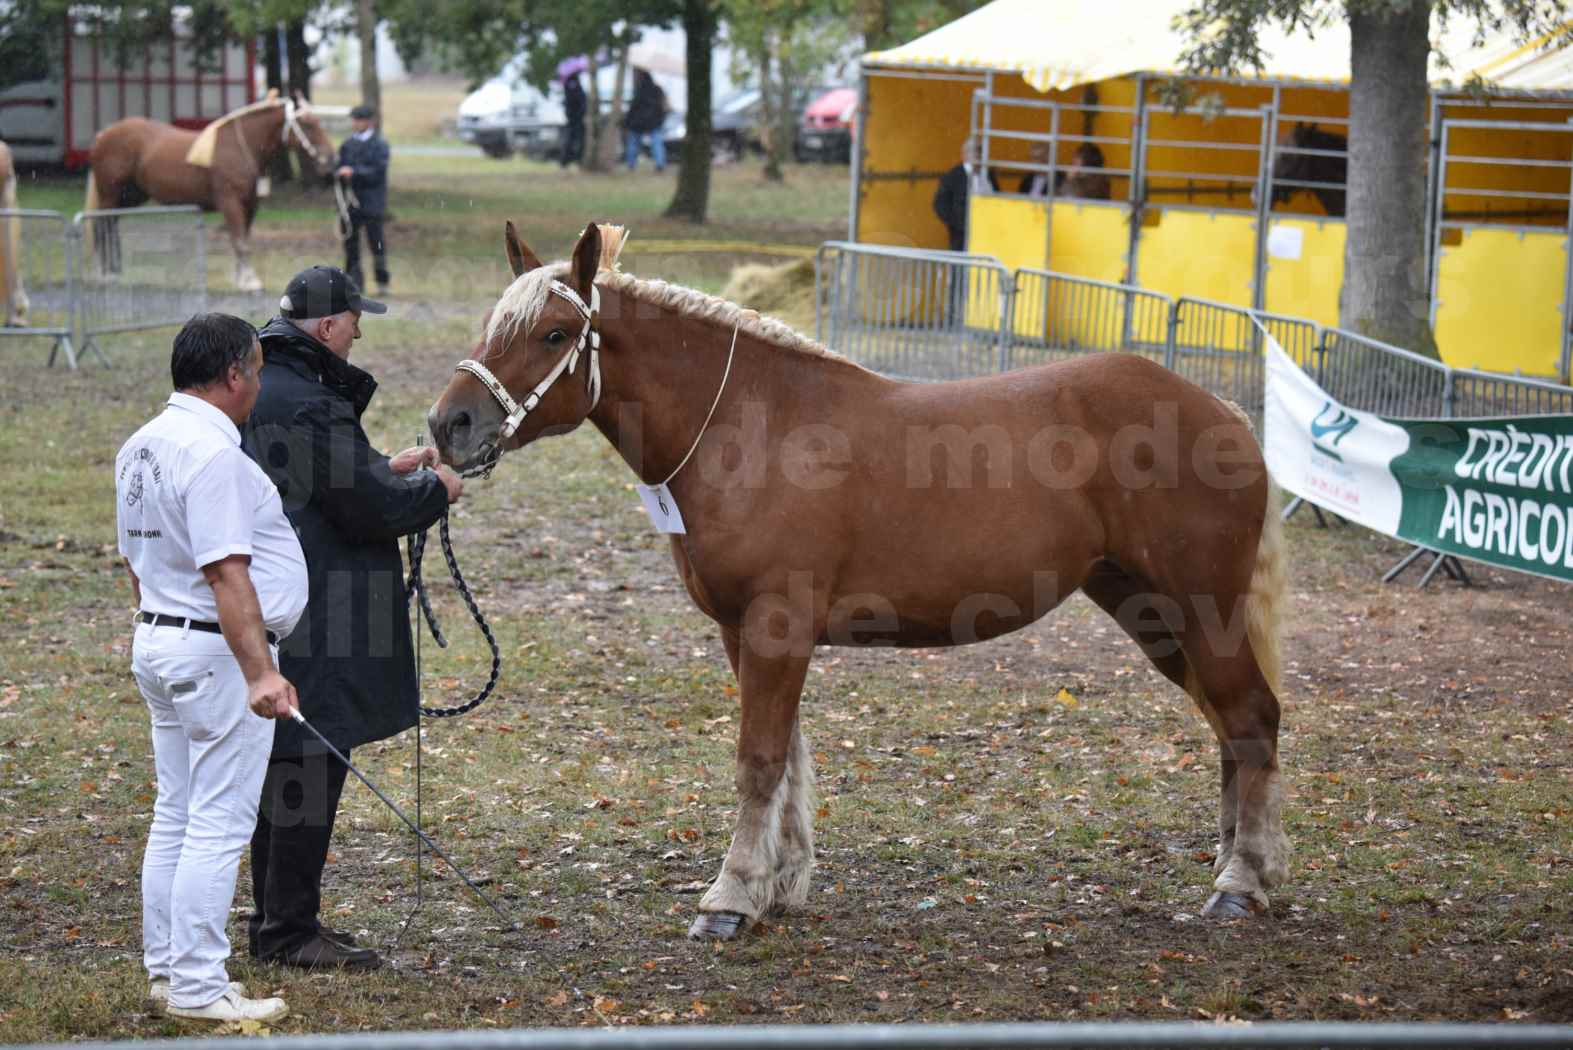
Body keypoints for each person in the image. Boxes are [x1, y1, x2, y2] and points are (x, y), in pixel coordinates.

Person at [243, 265, 463, 971]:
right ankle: (287, 931)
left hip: (279, 600)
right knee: (310, 759)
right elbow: (368, 509)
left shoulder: (266, 386)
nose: (360, 333)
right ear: (330, 326)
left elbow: (322, 479)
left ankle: (277, 918)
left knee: (284, 765)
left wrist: (383, 466)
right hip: (320, 610)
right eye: (355, 321)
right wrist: (434, 489)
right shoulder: (308, 399)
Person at [117, 313, 306, 1024]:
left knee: (176, 812)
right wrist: (259, 671)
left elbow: (137, 562)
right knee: (217, 822)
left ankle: (167, 970)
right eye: (256, 371)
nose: (258, 384)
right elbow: (229, 572)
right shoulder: (215, 456)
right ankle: (198, 986)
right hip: (214, 653)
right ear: (233, 375)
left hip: (160, 640)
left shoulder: (141, 445)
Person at [336, 105, 391, 295]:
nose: (355, 123)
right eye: (354, 119)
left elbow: (377, 171)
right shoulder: (347, 144)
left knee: (376, 242)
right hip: (349, 203)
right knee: (351, 244)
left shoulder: (380, 145)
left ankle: (382, 281)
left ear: (369, 122)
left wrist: (354, 172)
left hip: (372, 201)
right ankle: (353, 283)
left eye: (359, 120)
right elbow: (338, 166)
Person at [932, 138, 998, 252]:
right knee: (961, 268)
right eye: (975, 151)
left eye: (980, 151)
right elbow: (940, 205)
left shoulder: (988, 175)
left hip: (987, 235)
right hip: (962, 238)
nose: (978, 154)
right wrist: (960, 225)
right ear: (964, 155)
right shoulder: (953, 176)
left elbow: (997, 198)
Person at [623, 68, 668, 172]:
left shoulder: (639, 91)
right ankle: (659, 163)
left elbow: (633, 108)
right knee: (657, 143)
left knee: (633, 143)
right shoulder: (657, 89)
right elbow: (662, 106)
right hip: (654, 121)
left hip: (638, 122)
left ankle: (631, 164)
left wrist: (628, 121)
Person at [561, 72, 587, 169]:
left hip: (571, 118)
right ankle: (577, 159)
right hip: (577, 118)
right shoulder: (577, 86)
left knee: (570, 140)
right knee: (578, 140)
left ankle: (566, 161)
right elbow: (582, 101)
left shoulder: (567, 85)